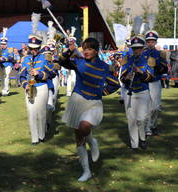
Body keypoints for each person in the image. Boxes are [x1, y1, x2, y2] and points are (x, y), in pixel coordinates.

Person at [59, 38, 120, 182]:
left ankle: (92, 141)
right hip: (77, 101)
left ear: (96, 51)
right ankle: (86, 171)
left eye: (90, 49)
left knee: (84, 127)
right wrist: (69, 49)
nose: (86, 51)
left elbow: (115, 83)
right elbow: (61, 62)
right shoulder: (79, 62)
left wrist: (102, 92)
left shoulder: (104, 66)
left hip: (94, 103)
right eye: (84, 48)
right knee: (79, 138)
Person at [20, 32, 55, 145]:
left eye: (35, 48)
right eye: (31, 48)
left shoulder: (45, 58)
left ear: (39, 47)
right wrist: (25, 85)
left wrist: (39, 73)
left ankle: (42, 135)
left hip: (41, 87)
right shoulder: (25, 59)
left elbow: (52, 73)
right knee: (31, 113)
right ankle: (34, 138)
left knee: (41, 113)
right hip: (29, 88)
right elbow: (21, 75)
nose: (33, 50)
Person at [120, 35, 154, 150]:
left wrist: (140, 72)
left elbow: (150, 78)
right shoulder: (127, 60)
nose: (136, 50)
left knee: (141, 119)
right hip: (130, 92)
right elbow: (122, 78)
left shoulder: (148, 60)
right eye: (134, 48)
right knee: (131, 119)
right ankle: (134, 144)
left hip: (143, 92)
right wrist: (127, 77)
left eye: (139, 48)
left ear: (142, 48)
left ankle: (142, 138)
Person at [143, 31, 168, 136]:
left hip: (155, 82)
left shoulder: (160, 54)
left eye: (152, 41)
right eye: (148, 41)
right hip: (144, 83)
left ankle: (153, 125)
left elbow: (165, 69)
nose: (150, 43)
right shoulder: (142, 54)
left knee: (156, 107)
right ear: (146, 42)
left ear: (155, 42)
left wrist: (157, 65)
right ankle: (148, 127)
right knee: (147, 107)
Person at [0, 28, 14, 96]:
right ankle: (3, 90)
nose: (2, 45)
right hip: (1, 65)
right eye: (2, 44)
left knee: (6, 77)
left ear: (6, 44)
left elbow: (11, 58)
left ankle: (6, 90)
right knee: (2, 78)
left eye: (4, 44)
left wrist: (3, 59)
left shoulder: (9, 50)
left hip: (8, 65)